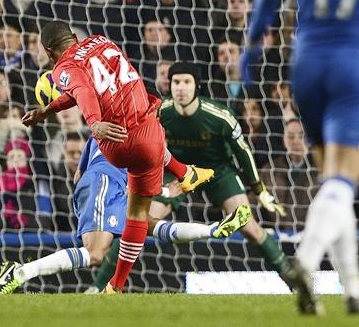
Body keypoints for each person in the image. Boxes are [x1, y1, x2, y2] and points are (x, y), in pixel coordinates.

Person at [19, 21, 221, 293]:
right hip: (148, 132)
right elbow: (91, 87)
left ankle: (100, 284)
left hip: (115, 146)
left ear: (47, 51)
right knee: (140, 216)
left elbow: (84, 92)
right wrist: (47, 111)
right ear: (75, 37)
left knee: (102, 246)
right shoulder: (102, 41)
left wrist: (93, 123)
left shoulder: (63, 69)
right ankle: (185, 176)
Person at [91, 62, 302, 292]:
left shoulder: (221, 116)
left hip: (217, 171)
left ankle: (293, 280)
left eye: (186, 82)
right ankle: (99, 286)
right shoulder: (161, 112)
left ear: (197, 85)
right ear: (169, 86)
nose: (181, 88)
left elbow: (243, 153)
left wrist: (259, 189)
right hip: (176, 170)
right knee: (138, 219)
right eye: (176, 82)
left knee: (250, 227)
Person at [241, 0, 359, 314]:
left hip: (306, 64)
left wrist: (251, 46)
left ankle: (353, 292)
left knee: (333, 182)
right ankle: (305, 261)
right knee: (344, 179)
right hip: (357, 61)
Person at [0, 136, 248, 294]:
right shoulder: (144, 134)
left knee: (148, 225)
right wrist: (168, 192)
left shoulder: (103, 127)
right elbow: (142, 180)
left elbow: (79, 175)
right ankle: (19, 273)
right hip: (106, 183)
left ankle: (213, 229)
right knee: (96, 254)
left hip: (104, 186)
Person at [259, 118, 318, 230]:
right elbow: (257, 200)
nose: (296, 141)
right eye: (290, 137)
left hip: (311, 234)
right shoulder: (269, 169)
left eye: (302, 136)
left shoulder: (321, 170)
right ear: (284, 140)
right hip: (278, 234)